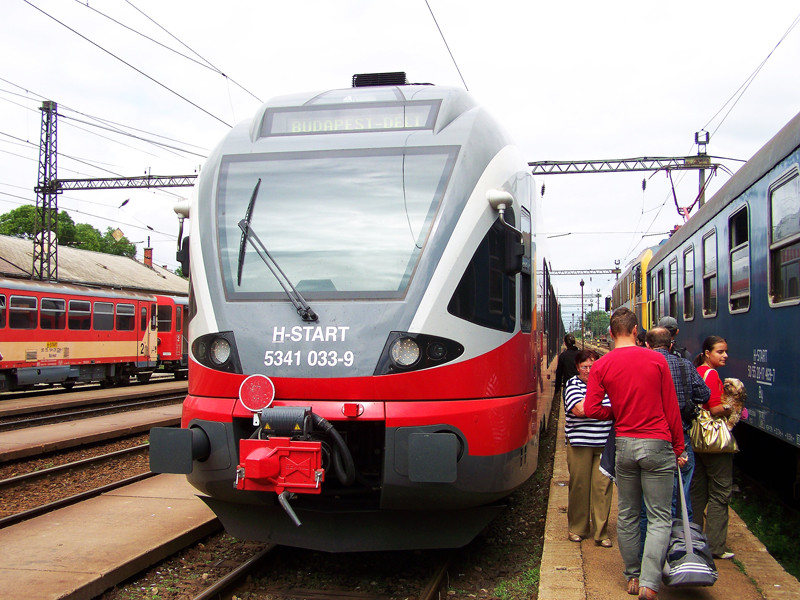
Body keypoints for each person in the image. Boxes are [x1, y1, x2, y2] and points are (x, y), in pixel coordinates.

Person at [584, 308, 686, 600]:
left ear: (612, 333)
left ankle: (632, 576)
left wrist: (616, 411)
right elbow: (671, 409)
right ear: (635, 330)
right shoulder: (657, 359)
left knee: (628, 514)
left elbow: (591, 409)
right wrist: (678, 447)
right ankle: (650, 584)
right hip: (657, 443)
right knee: (659, 516)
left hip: (625, 445)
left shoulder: (602, 365)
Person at [638, 327, 710, 552]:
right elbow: (704, 395)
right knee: (683, 490)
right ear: (671, 344)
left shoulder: (643, 365)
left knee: (651, 497)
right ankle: (684, 546)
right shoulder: (685, 365)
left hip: (651, 436)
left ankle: (653, 549)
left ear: (647, 345)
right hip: (682, 437)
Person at [563, 349, 615, 548]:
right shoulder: (572, 384)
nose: (588, 370)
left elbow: (612, 408)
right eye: (584, 366)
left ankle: (601, 533)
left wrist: (595, 408)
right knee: (580, 485)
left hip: (603, 444)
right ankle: (578, 528)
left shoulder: (606, 384)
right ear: (578, 367)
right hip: (580, 445)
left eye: (592, 366)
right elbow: (580, 410)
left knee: (602, 488)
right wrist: (603, 409)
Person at [691, 335, 735, 560]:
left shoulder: (697, 371)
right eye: (720, 351)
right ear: (708, 353)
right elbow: (715, 408)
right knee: (720, 492)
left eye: (725, 351)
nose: (725, 355)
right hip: (714, 442)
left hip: (698, 440)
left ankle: (694, 538)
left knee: (698, 491)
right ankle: (716, 546)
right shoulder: (711, 374)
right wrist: (731, 409)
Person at [553, 334, 580, 401]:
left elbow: (559, 374)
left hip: (568, 387)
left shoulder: (563, 356)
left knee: (568, 409)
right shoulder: (581, 355)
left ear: (565, 343)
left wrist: (557, 389)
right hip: (580, 386)